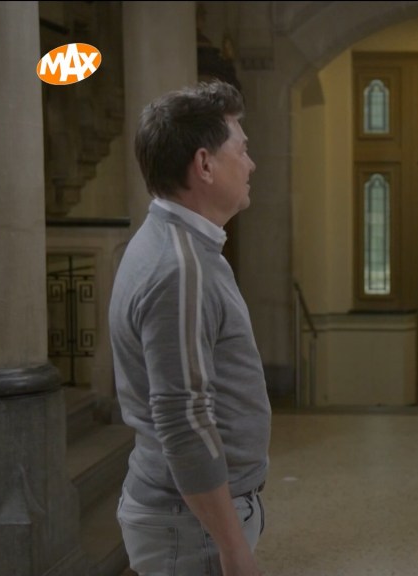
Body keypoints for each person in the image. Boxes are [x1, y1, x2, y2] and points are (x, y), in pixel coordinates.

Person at [109, 80, 270, 576]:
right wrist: (233, 547)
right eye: (241, 150)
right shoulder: (179, 267)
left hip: (191, 515)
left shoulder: (180, 245)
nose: (251, 164)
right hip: (191, 523)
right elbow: (184, 419)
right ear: (204, 164)